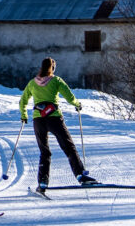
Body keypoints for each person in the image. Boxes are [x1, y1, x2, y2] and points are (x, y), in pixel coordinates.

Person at [18, 56, 99, 193]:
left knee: (44, 151)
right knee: (68, 147)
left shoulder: (32, 83)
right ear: (53, 68)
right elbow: (69, 96)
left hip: (38, 120)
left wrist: (24, 116)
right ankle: (80, 175)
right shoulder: (56, 80)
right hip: (54, 118)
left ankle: (43, 182)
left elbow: (23, 100)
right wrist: (77, 104)